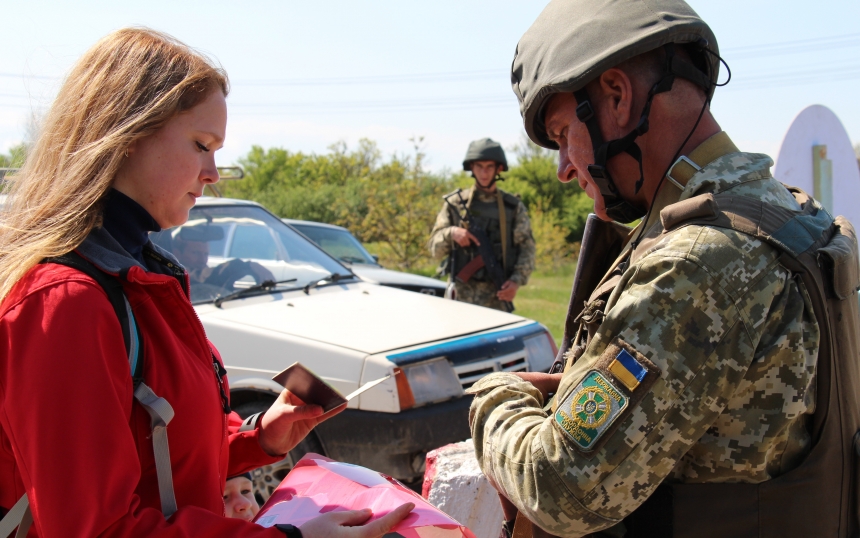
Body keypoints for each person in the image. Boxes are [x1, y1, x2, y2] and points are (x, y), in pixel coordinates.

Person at [468, 1, 860, 537]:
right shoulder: (792, 214)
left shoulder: (699, 262)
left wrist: (497, 399)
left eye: (562, 135)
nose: (563, 168)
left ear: (616, 95)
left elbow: (558, 488)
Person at [0, 28, 412, 538]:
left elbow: (159, 456)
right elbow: (95, 529)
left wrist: (259, 439)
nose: (214, 172)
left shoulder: (138, 273)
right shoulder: (65, 303)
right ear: (127, 135)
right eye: (201, 145)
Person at [428, 138, 535, 311]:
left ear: (498, 168)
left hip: (497, 297)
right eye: (479, 166)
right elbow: (434, 248)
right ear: (471, 167)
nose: (484, 173)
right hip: (459, 296)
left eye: (489, 167)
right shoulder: (456, 203)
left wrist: (515, 281)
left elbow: (527, 248)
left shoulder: (512, 207)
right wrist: (452, 233)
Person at [171, 226, 275, 289]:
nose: (202, 260)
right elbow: (202, 276)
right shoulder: (175, 276)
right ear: (177, 254)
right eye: (195, 253)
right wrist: (248, 266)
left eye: (205, 254)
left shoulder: (206, 273)